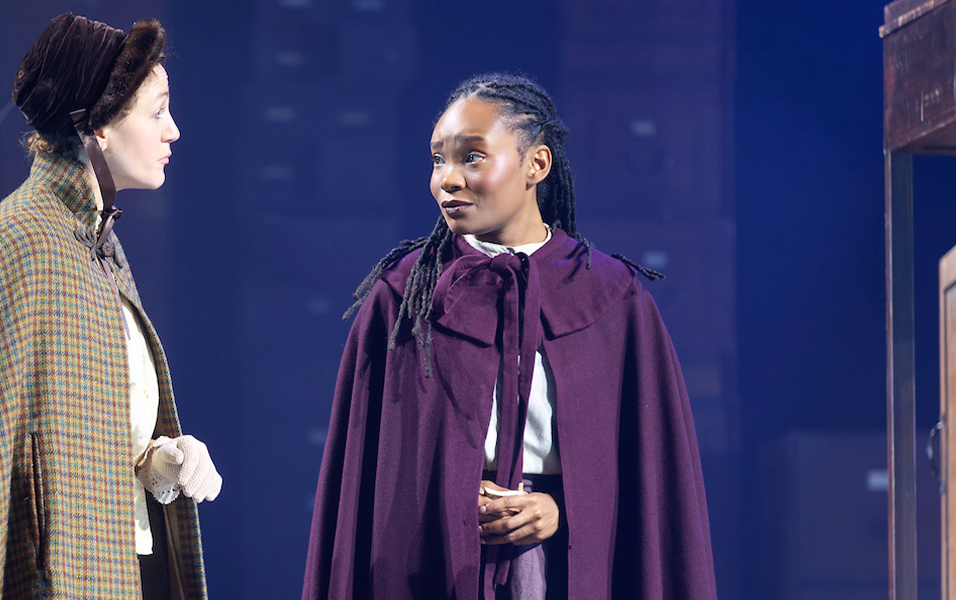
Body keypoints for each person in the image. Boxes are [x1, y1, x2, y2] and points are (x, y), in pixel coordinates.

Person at [302, 73, 716, 599]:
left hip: (567, 567)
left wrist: (561, 510)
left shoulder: (612, 300)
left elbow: (648, 484)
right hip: (434, 561)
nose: (448, 179)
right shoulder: (404, 298)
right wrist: (452, 492)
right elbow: (369, 484)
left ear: (536, 165)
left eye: (472, 157)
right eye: (438, 160)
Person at [0, 13, 221, 599]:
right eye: (157, 112)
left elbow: (77, 429)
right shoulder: (24, 243)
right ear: (99, 125)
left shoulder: (95, 243)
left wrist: (158, 460)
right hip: (55, 577)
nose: (173, 131)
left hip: (117, 562)